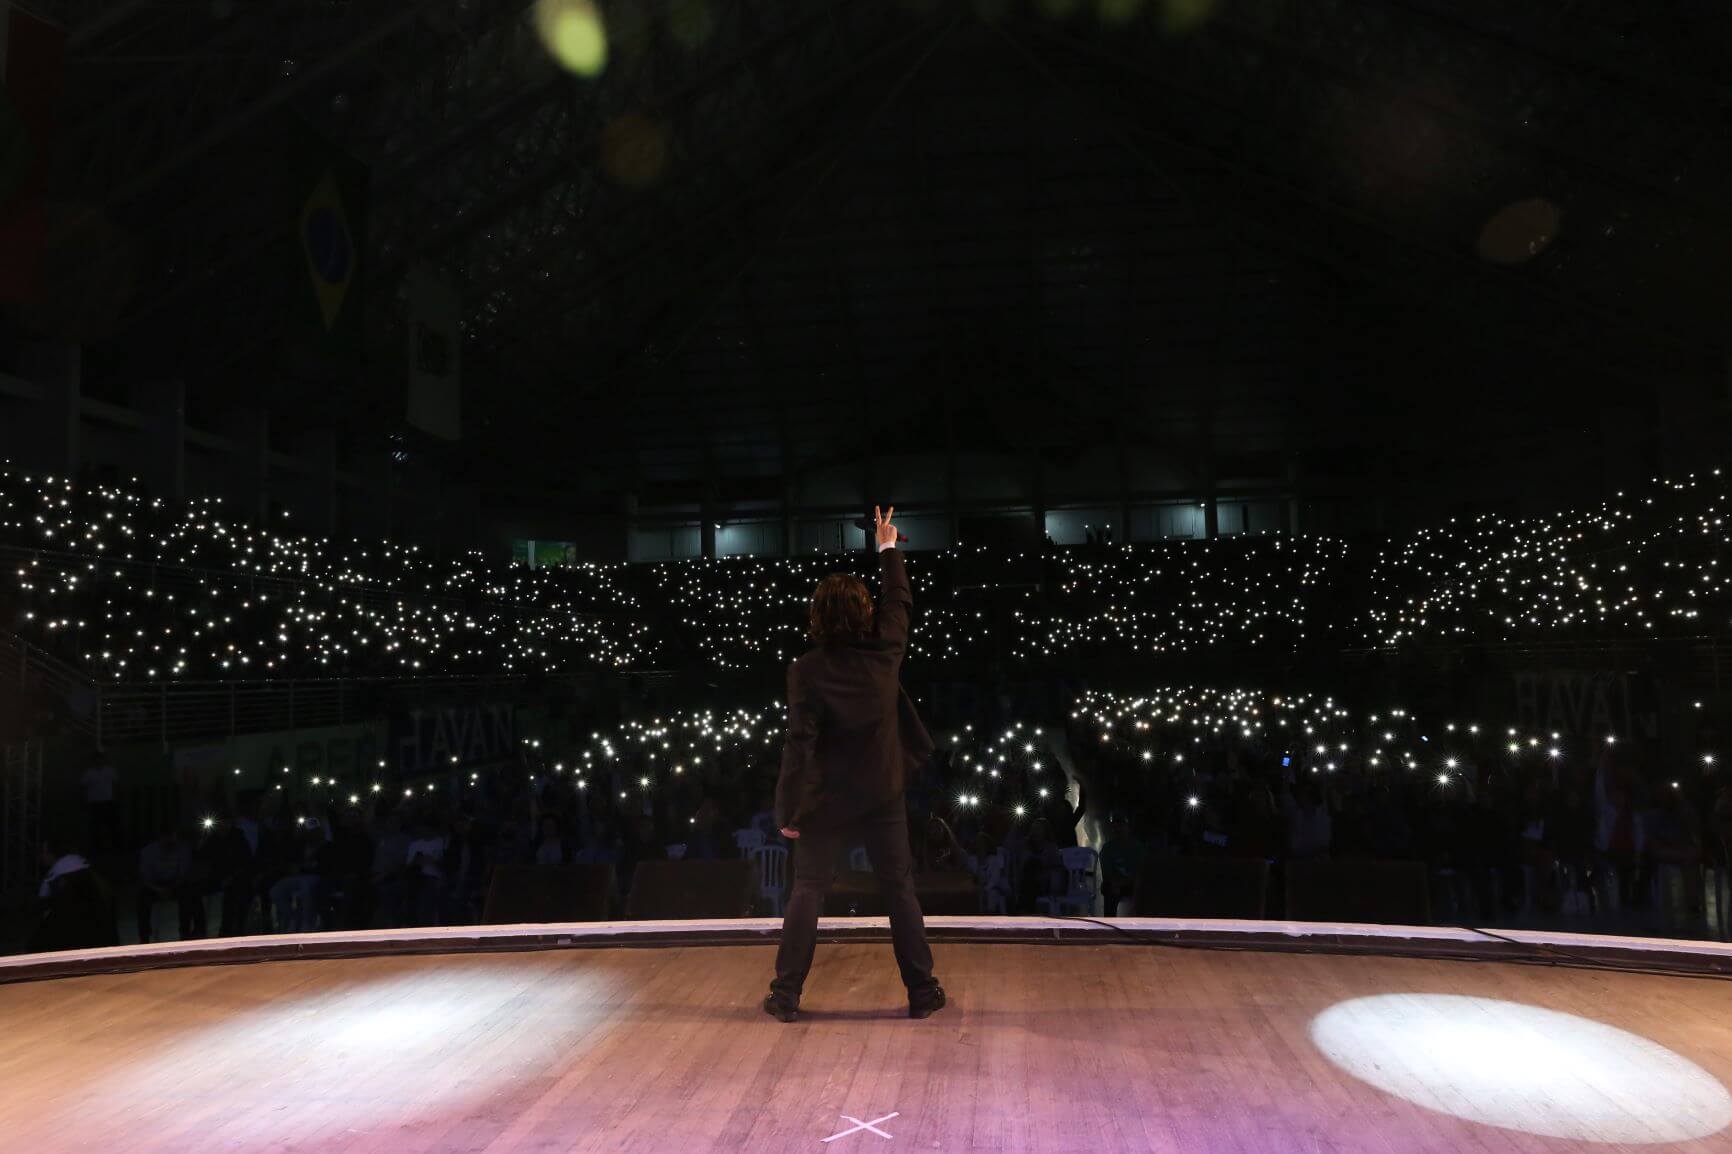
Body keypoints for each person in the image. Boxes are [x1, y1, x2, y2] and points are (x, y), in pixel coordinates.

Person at [766, 505, 944, 1022]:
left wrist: (787, 809)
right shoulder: (885, 652)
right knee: (898, 889)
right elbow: (900, 600)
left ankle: (785, 996)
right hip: (882, 794)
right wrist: (887, 547)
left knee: (808, 890)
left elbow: (798, 746)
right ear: (865, 614)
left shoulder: (805, 670)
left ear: (816, 617)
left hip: (825, 800)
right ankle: (922, 992)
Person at [30, 828, 117, 952]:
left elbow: (49, 911)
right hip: (103, 939)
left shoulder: (58, 879)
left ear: (51, 852)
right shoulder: (89, 871)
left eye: (43, 851)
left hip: (75, 940)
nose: (41, 856)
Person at [136, 823, 203, 942]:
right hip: (155, 884)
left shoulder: (183, 849)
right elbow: (145, 876)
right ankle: (144, 936)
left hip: (176, 883)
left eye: (172, 836)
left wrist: (172, 887)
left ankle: (185, 933)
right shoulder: (148, 851)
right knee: (142, 900)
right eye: (166, 837)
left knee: (189, 896)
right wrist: (158, 889)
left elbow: (184, 873)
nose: (169, 840)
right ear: (160, 837)